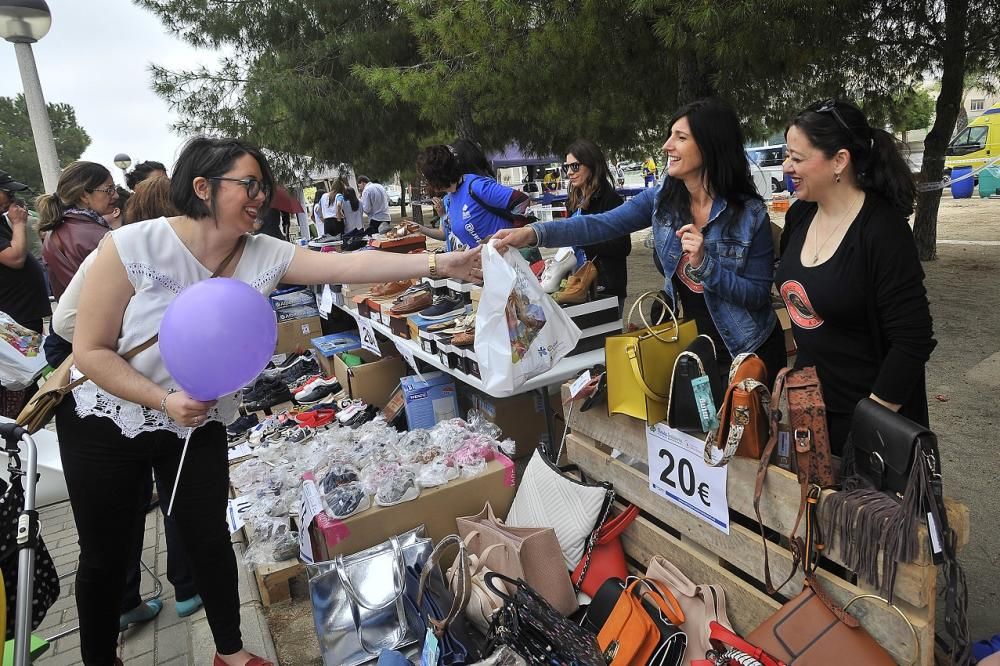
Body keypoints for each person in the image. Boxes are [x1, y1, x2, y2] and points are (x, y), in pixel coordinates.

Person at [61, 136, 480, 666]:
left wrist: (441, 264)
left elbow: (348, 266)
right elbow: (90, 352)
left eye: (265, 186)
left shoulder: (263, 252)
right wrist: (162, 399)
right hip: (108, 419)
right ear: (202, 187)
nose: (262, 197)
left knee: (208, 536)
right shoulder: (132, 246)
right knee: (106, 555)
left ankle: (231, 653)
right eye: (249, 185)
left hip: (198, 414)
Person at [494, 99, 785, 383]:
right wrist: (534, 233)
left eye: (680, 137)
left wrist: (707, 266)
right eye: (669, 135)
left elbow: (758, 296)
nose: (666, 145)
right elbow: (601, 224)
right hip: (693, 349)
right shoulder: (664, 200)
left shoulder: (750, 215)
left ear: (709, 146)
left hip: (748, 353)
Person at [51, 174, 204, 632]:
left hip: (136, 401)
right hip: (131, 398)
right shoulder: (119, 246)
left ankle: (131, 597)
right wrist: (115, 339)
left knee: (128, 514)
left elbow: (63, 322)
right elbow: (69, 324)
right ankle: (184, 586)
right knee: (164, 495)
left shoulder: (74, 235)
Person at [776, 99, 935, 453]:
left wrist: (869, 426)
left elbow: (913, 340)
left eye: (797, 158)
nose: (787, 166)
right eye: (788, 156)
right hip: (812, 412)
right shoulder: (799, 216)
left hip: (871, 422)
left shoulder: (882, 230)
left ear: (839, 161)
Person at [416, 144, 531, 248]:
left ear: (437, 176)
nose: (426, 183)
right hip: (491, 264)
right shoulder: (451, 197)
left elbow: (521, 201)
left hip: (512, 258)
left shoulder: (476, 186)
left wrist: (512, 236)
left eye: (427, 178)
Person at [564, 139, 631, 310]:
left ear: (591, 165)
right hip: (577, 284)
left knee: (606, 335)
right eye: (567, 167)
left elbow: (623, 246)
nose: (570, 172)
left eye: (575, 166)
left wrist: (586, 240)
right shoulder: (572, 201)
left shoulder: (610, 200)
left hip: (605, 286)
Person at [38, 161, 119, 300]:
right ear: (84, 195)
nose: (115, 195)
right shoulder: (98, 236)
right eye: (109, 190)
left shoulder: (55, 231)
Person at [414, 138, 497, 250]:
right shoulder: (449, 197)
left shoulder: (478, 186)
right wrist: (441, 217)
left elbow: (518, 202)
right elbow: (445, 233)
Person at [0, 170, 49, 334]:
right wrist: (19, 223)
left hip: (22, 314)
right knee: (29, 359)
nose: (12, 198)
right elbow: (15, 259)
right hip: (13, 317)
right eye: (7, 192)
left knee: (35, 357)